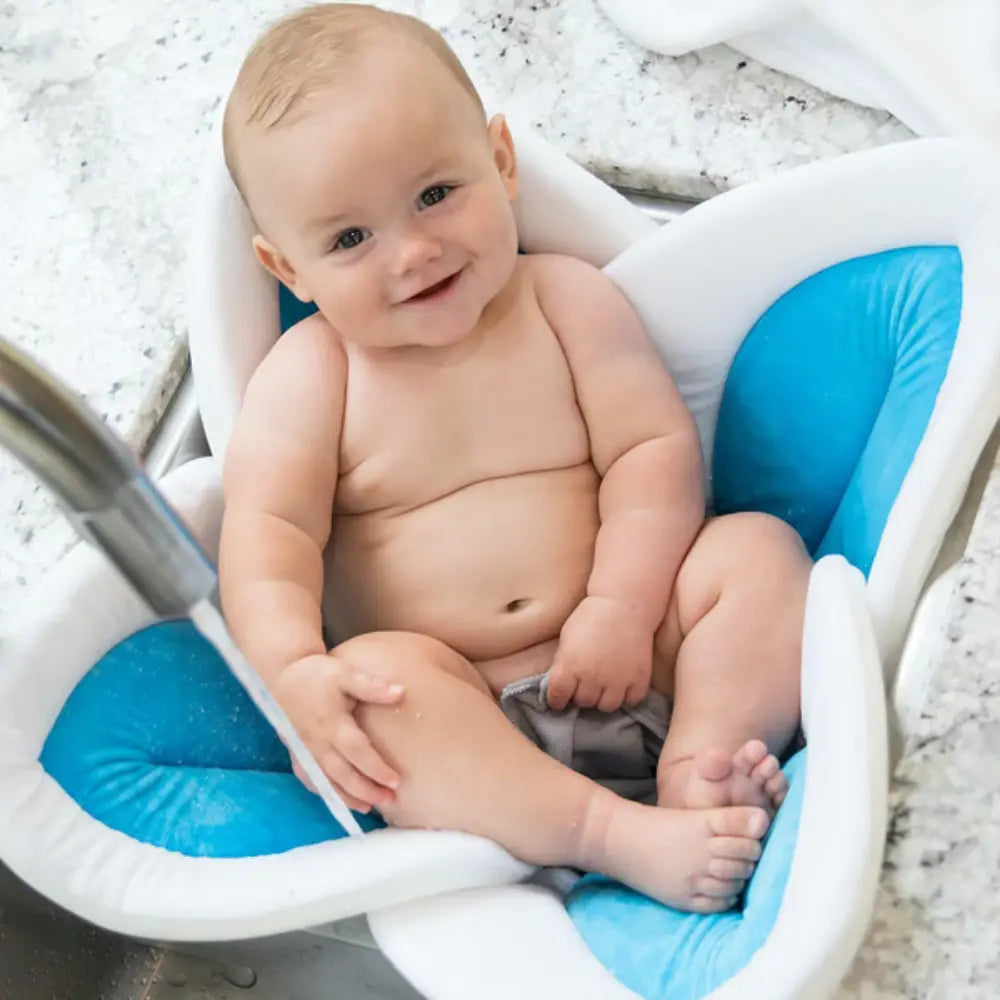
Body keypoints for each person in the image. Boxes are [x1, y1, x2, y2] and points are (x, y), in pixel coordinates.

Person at [219, 2, 812, 913]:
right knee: (380, 695)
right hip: (469, 711)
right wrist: (297, 673)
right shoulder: (311, 377)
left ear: (500, 163)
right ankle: (616, 835)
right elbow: (268, 543)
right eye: (349, 239)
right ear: (287, 270)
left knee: (758, 554)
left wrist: (622, 606)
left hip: (636, 649)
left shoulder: (566, 302)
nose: (413, 253)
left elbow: (651, 453)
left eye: (434, 194)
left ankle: (701, 765)